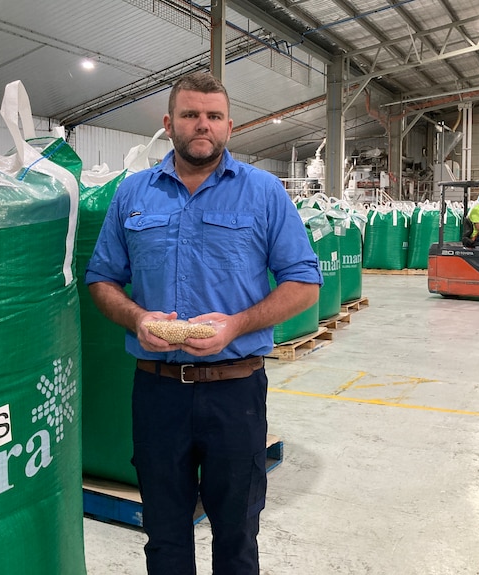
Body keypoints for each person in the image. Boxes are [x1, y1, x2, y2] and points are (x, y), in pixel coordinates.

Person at [84, 71, 322, 575]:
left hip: (234, 393)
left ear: (230, 126)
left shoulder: (263, 193)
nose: (202, 125)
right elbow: (102, 280)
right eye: (191, 115)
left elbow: (304, 282)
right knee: (165, 534)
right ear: (169, 123)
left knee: (237, 531)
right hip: (157, 393)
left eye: (213, 116)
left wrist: (235, 326)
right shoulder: (132, 195)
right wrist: (136, 317)